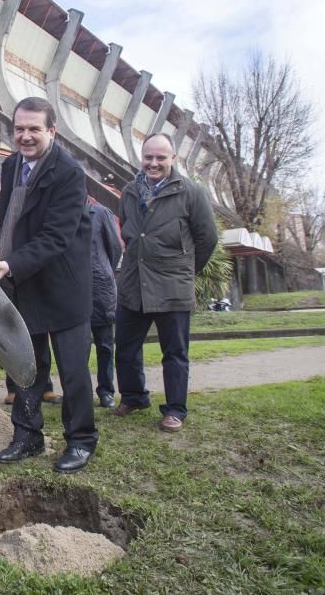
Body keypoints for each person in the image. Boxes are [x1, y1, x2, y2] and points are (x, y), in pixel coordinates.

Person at [0, 96, 98, 474]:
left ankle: (81, 441)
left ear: (51, 131)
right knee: (25, 368)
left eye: (35, 129)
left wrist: (10, 263)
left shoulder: (69, 172)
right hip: (24, 286)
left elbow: (56, 236)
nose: (26, 136)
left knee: (73, 371)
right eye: (19, 128)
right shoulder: (9, 165)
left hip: (63, 288)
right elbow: (19, 215)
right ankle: (27, 437)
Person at [110, 133, 218, 432]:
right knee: (126, 347)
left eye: (160, 157)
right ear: (141, 158)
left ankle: (175, 410)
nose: (154, 163)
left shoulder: (191, 192)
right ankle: (133, 397)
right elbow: (129, 232)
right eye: (148, 157)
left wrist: (185, 271)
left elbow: (207, 237)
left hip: (172, 285)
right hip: (133, 284)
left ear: (172, 159)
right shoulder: (130, 191)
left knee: (174, 352)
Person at [0, 174, 61, 407]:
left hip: (26, 279)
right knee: (8, 334)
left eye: (0, 191)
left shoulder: (21, 212)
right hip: (4, 285)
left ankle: (45, 386)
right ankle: (14, 388)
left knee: (37, 334)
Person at [90, 200, 123, 408]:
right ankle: (79, 393)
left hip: (100, 289)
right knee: (76, 347)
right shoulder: (61, 210)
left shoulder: (101, 212)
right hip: (74, 292)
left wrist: (104, 270)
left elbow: (115, 248)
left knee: (104, 345)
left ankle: (106, 391)